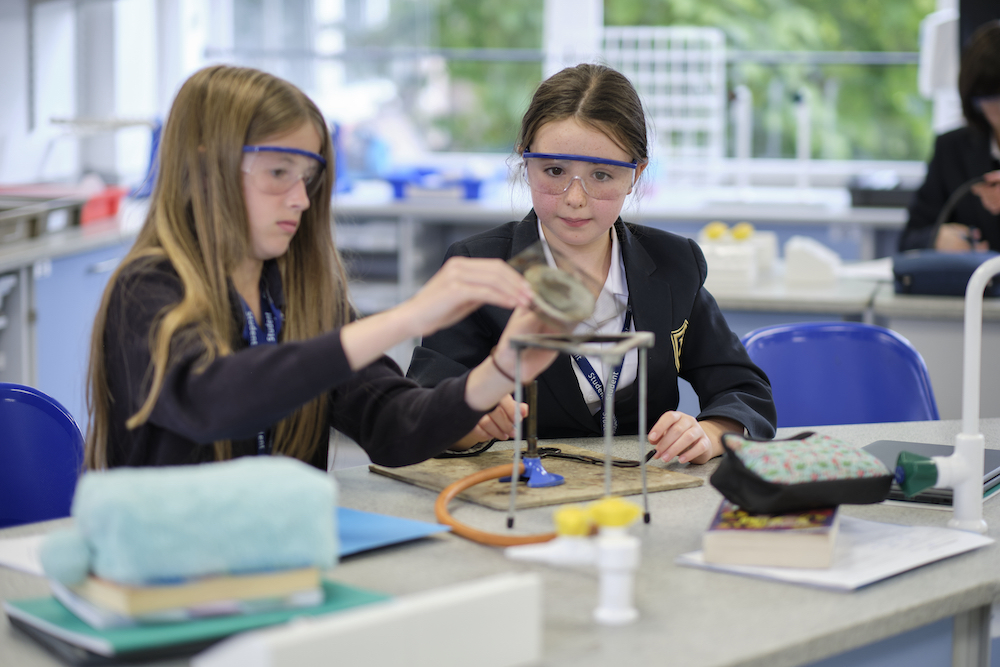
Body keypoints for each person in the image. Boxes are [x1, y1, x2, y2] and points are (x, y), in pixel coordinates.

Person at [84, 65, 560, 470]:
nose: (301, 199)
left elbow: (391, 427)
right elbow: (214, 402)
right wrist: (406, 318)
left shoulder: (302, 293)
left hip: (281, 554)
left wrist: (500, 369)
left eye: (308, 177)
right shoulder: (146, 290)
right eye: (277, 173)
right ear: (208, 169)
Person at [407, 63, 776, 465]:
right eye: (554, 171)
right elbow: (420, 411)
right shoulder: (478, 265)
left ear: (636, 175)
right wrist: (468, 421)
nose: (575, 198)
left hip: (644, 498)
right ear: (524, 163)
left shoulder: (673, 264)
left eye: (601, 175)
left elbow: (742, 389)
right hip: (517, 498)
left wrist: (709, 433)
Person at [899, 20, 1000, 252]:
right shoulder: (952, 149)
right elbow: (908, 240)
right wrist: (937, 239)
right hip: (970, 287)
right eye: (991, 98)